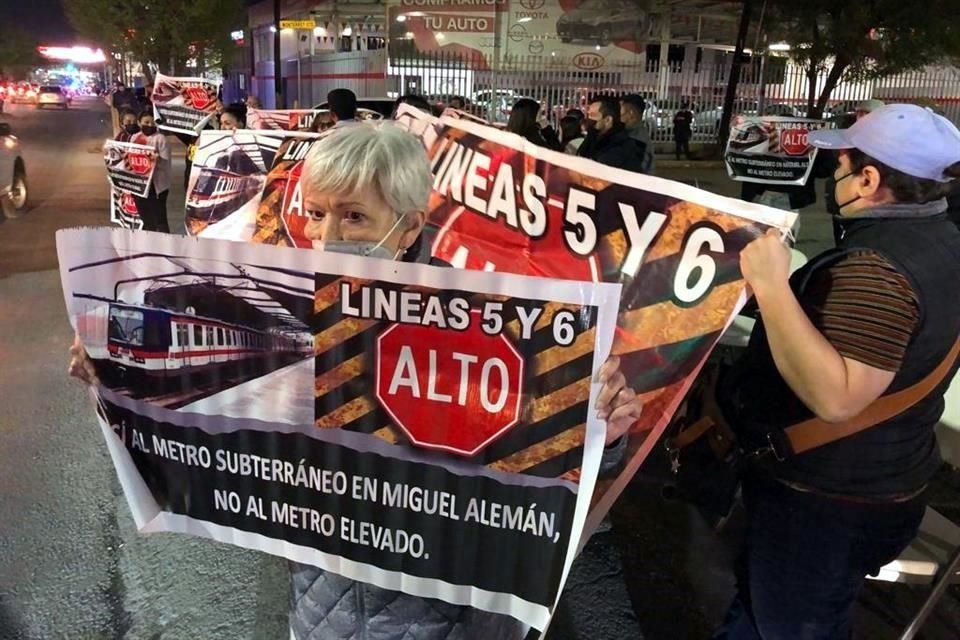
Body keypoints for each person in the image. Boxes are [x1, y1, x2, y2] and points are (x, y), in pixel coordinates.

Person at [69, 122, 644, 639]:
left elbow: (555, 467)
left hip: (450, 621)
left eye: (354, 216)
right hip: (320, 613)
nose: (327, 233)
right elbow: (210, 420)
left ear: (409, 226)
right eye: (316, 213)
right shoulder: (296, 309)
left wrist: (603, 430)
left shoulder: (493, 323)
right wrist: (117, 375)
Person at [713, 104, 960, 640]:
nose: (831, 178)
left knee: (797, 625)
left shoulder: (879, 267)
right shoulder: (944, 241)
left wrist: (774, 286)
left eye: (839, 166)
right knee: (765, 610)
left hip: (825, 503)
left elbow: (838, 397)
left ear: (869, 180)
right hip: (887, 480)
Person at [826, 99, 885, 244]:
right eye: (859, 113)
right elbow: (830, 166)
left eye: (867, 113)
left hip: (867, 204)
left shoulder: (886, 143)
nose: (861, 117)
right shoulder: (846, 135)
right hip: (841, 201)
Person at [577, 95, 646, 173]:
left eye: (593, 115)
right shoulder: (594, 137)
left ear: (608, 120)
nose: (588, 119)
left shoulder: (621, 146)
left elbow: (597, 170)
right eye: (588, 114)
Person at [130, 112, 171, 233]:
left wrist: (157, 160)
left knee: (159, 217)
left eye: (152, 122)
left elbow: (165, 160)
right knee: (145, 216)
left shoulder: (161, 139)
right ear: (139, 123)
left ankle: (165, 244)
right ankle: (150, 240)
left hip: (157, 185)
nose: (150, 125)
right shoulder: (134, 138)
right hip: (139, 183)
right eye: (146, 122)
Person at [620, 94, 655, 174]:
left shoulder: (637, 139)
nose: (617, 113)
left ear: (630, 113)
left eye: (620, 109)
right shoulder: (631, 133)